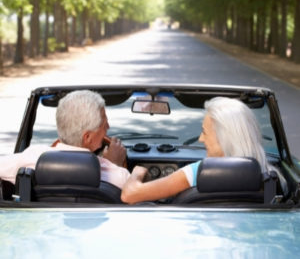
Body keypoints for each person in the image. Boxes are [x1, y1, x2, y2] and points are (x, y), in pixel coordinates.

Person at [121, 97, 287, 204]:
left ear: (224, 139)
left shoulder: (196, 172)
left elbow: (130, 195)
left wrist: (136, 172)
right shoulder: (272, 180)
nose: (200, 139)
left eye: (205, 132)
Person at [0, 90, 130, 189]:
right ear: (88, 137)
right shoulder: (116, 174)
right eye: (104, 124)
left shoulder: (32, 158)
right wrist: (115, 164)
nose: (108, 127)